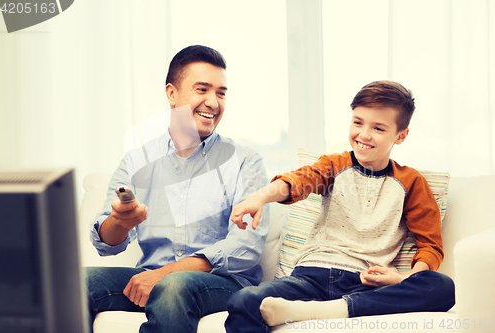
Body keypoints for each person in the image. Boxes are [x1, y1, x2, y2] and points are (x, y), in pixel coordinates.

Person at [225, 81, 455, 332]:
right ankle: (337, 308)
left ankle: (320, 311)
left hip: (366, 283)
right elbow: (300, 180)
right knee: (243, 300)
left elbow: (430, 245)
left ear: (401, 135)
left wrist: (404, 279)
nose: (364, 134)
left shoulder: (411, 182)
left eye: (378, 128)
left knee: (442, 287)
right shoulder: (335, 165)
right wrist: (260, 197)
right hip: (310, 277)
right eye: (358, 122)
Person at [86, 45, 270, 333]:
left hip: (221, 283)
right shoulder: (137, 160)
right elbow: (106, 243)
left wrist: (163, 274)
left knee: (173, 286)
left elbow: (245, 248)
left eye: (221, 93)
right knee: (77, 285)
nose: (214, 102)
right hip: (151, 278)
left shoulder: (245, 161)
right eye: (202, 90)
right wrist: (119, 222)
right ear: (172, 94)